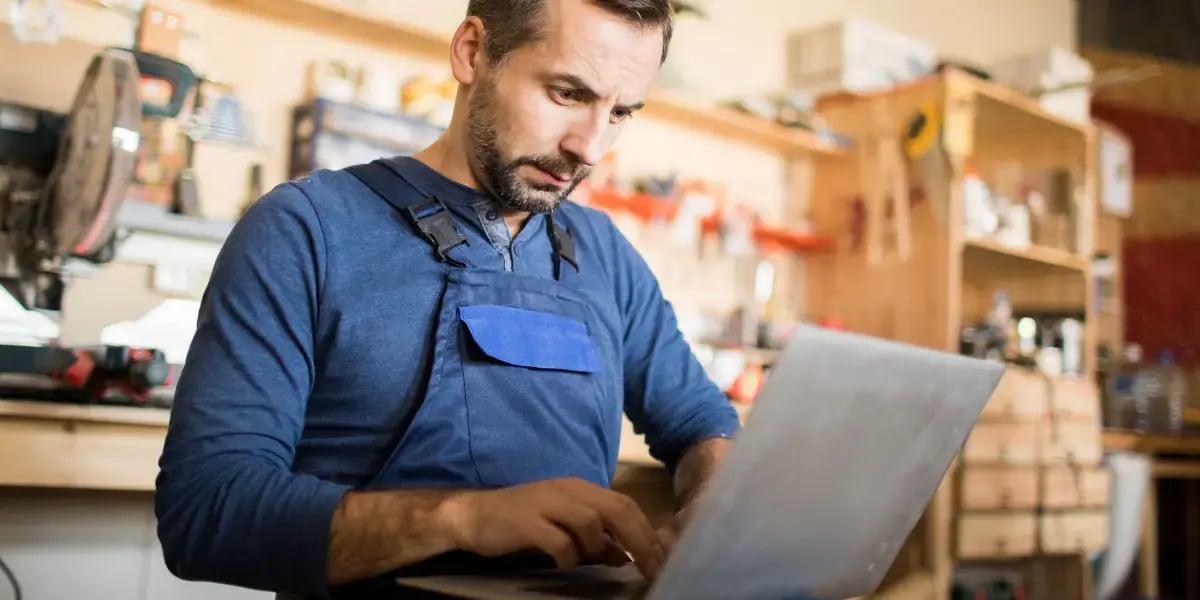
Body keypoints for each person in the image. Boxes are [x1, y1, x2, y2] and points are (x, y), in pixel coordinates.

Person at [154, 0, 742, 597]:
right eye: (567, 94)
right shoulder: (305, 229)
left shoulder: (605, 255)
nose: (589, 147)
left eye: (620, 112)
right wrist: (465, 518)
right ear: (471, 52)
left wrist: (715, 505)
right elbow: (205, 512)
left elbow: (700, 425)